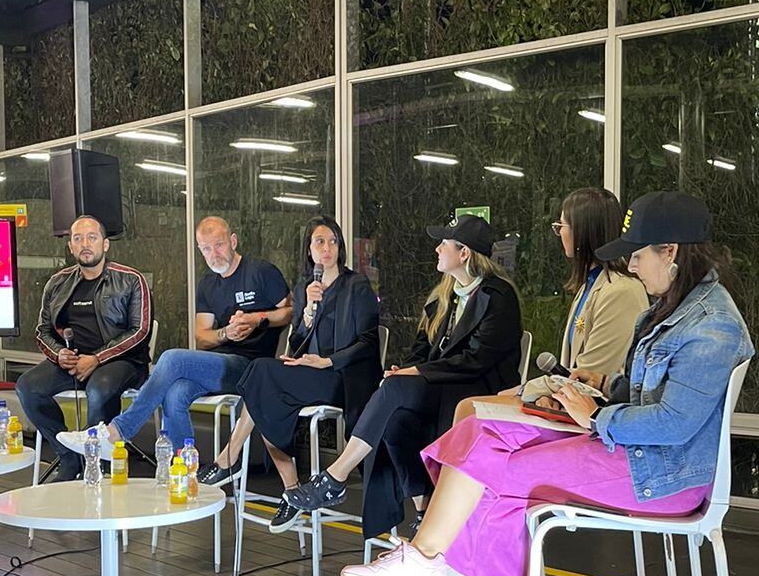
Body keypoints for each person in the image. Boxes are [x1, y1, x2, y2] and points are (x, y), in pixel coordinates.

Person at [338, 192, 753, 576]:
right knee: (480, 432)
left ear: (672, 251)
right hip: (634, 453)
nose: (633, 266)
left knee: (502, 474)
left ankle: (436, 561)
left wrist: (600, 413)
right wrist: (604, 386)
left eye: (639, 254)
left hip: (661, 476)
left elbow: (674, 423)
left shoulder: (712, 325)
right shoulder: (676, 306)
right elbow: (647, 392)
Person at [284, 214, 522, 541]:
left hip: (475, 393)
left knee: (395, 389)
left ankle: (335, 477)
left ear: (464, 253)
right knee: (395, 420)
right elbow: (421, 349)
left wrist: (414, 373)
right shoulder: (446, 295)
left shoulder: (498, 297)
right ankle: (424, 511)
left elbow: (476, 361)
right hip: (440, 387)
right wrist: (404, 369)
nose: (437, 248)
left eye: (445, 243)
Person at [199, 217, 381, 530]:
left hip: (342, 378)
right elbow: (297, 343)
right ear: (309, 251)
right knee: (263, 386)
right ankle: (292, 492)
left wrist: (327, 362)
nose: (326, 248)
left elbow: (368, 343)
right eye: (319, 242)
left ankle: (230, 460)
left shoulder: (357, 286)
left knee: (260, 379)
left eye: (332, 241)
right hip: (310, 371)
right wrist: (308, 314)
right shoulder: (304, 289)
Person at [71, 215, 292, 460]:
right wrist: (224, 333)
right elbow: (202, 338)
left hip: (253, 368)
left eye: (218, 245)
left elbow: (289, 312)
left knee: (172, 359)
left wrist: (258, 317)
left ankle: (118, 431)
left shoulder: (260, 272)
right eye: (206, 249)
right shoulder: (208, 284)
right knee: (175, 393)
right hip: (218, 365)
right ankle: (183, 472)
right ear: (200, 249)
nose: (213, 254)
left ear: (233, 241)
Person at [453, 186, 647, 422]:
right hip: (568, 403)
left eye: (561, 227)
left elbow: (589, 376)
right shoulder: (590, 285)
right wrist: (547, 394)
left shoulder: (621, 291)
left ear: (582, 232)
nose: (558, 234)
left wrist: (530, 390)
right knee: (466, 410)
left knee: (469, 411)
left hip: (596, 416)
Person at [16, 216, 151, 480]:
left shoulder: (131, 279)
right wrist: (59, 354)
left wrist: (97, 358)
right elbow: (42, 330)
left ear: (106, 244)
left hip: (122, 361)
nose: (85, 244)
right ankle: (69, 457)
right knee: (27, 387)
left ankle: (98, 464)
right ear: (70, 247)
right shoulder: (57, 283)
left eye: (92, 237)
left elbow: (141, 330)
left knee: (99, 389)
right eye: (78, 238)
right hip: (71, 361)